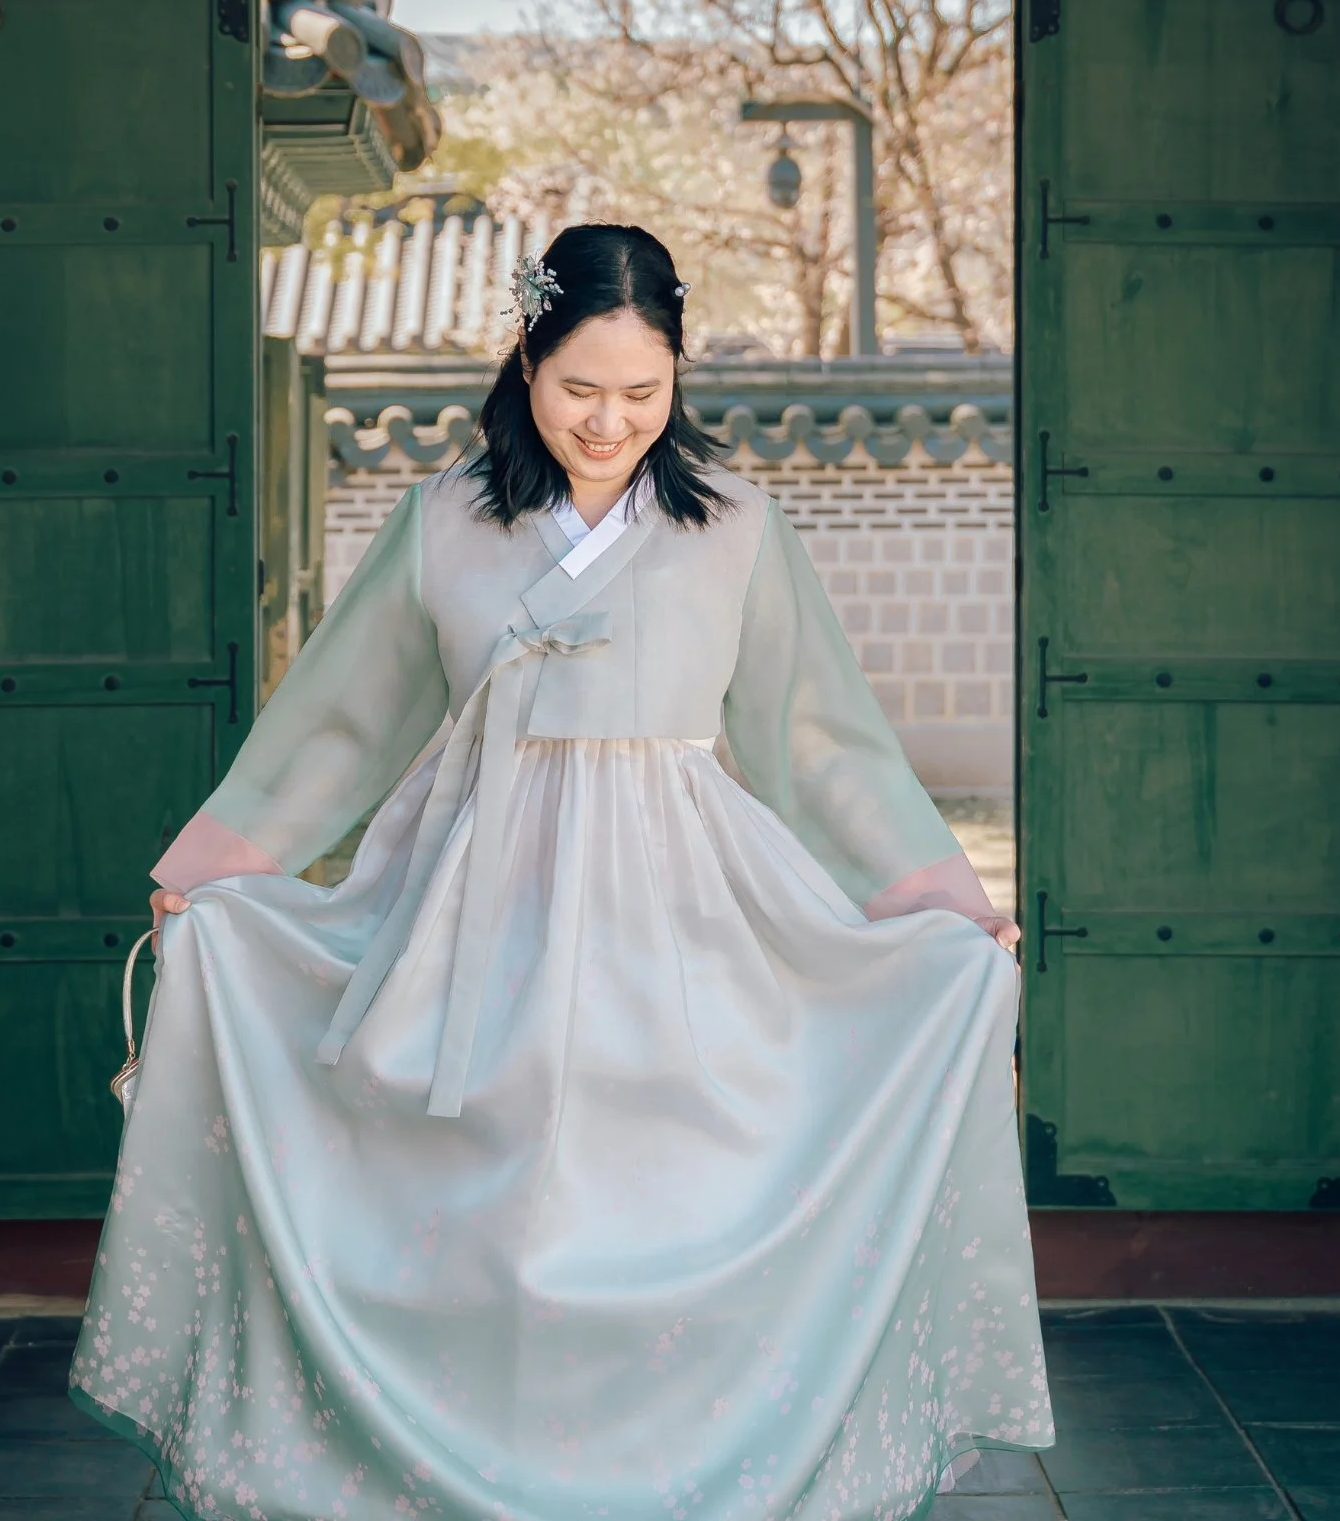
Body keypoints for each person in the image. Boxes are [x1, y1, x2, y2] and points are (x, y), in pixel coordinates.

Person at [70, 222, 1052, 1521]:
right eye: (579, 388)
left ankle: (672, 1483)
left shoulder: (740, 529)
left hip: (684, 916)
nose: (609, 422)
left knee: (675, 1220)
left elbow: (818, 748)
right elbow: (343, 724)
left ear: (678, 381)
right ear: (523, 359)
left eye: (643, 394)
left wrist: (941, 903)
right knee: (485, 1238)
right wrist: (217, 870)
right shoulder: (444, 522)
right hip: (476, 911)